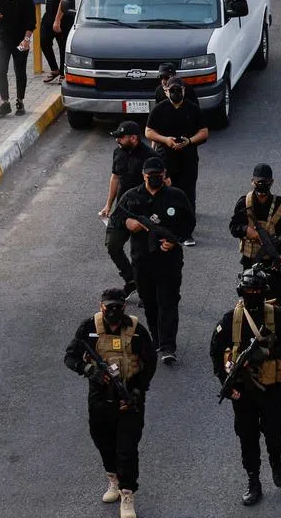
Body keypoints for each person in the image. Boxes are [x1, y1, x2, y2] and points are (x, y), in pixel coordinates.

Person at [64, 288, 157, 518]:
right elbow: (70, 357)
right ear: (101, 307)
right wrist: (89, 370)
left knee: (127, 449)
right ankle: (113, 479)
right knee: (103, 441)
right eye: (109, 307)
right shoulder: (89, 328)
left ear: (124, 307)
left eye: (118, 307)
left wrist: (138, 391)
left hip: (128, 398)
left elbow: (150, 362)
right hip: (99, 398)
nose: (113, 311)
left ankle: (127, 493)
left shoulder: (136, 331)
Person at [210, 266, 281, 506]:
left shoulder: (276, 317)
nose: (254, 295)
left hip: (270, 387)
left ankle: (275, 459)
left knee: (274, 431)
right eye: (249, 291)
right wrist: (225, 383)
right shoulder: (231, 319)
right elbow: (215, 351)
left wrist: (265, 353)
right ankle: (253, 480)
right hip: (242, 388)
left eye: (258, 291)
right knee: (247, 436)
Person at [110, 156, 194, 363]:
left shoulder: (176, 196)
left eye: (158, 175)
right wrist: (128, 223)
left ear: (164, 175)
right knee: (149, 302)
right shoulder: (131, 197)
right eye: (150, 176)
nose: (154, 179)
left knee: (168, 301)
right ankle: (156, 339)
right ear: (143, 176)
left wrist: (174, 240)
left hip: (169, 260)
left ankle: (168, 346)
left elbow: (189, 223)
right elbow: (116, 219)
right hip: (142, 260)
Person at [145, 76, 207, 245]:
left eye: (178, 90)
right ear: (166, 92)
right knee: (165, 193)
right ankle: (167, 230)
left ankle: (187, 233)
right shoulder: (159, 109)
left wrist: (189, 141)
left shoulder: (194, 109)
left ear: (184, 90)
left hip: (188, 159)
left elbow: (204, 132)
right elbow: (149, 131)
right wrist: (165, 140)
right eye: (172, 90)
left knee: (188, 194)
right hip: (166, 159)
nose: (175, 93)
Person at [100, 121, 157, 295]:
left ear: (133, 138)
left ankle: (146, 291)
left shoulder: (150, 157)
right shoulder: (118, 152)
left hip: (143, 212)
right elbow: (115, 178)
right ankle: (131, 280)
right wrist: (108, 205)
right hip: (122, 209)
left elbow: (163, 185)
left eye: (121, 137)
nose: (117, 140)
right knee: (112, 245)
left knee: (141, 256)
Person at [229, 163, 281, 305]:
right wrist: (247, 231)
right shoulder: (244, 203)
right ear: (252, 181)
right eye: (258, 182)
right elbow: (234, 227)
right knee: (250, 298)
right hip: (250, 260)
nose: (261, 185)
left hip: (272, 261)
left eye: (265, 182)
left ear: (271, 182)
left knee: (275, 299)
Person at [0, 0, 37, 118]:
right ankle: (5, 102)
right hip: (2, 40)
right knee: (0, 70)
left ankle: (20, 101)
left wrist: (26, 40)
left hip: (20, 40)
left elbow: (31, 22)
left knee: (19, 70)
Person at [40, 0, 76, 82]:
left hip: (63, 18)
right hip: (49, 16)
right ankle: (54, 70)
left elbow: (63, 1)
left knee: (62, 46)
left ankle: (63, 73)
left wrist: (57, 21)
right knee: (44, 42)